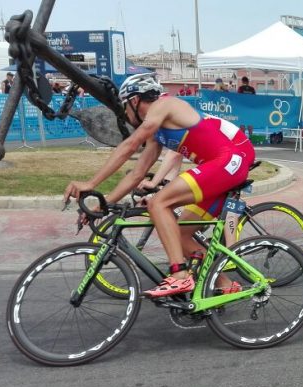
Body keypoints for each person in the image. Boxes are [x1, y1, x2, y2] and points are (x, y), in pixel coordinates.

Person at [64, 73, 255, 297]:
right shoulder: (157, 132)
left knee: (158, 204)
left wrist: (90, 183)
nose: (125, 115)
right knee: (181, 236)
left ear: (134, 101)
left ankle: (180, 276)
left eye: (125, 107)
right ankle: (225, 284)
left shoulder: (164, 105)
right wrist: (103, 205)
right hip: (220, 168)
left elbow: (130, 145)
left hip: (227, 161)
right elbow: (137, 174)